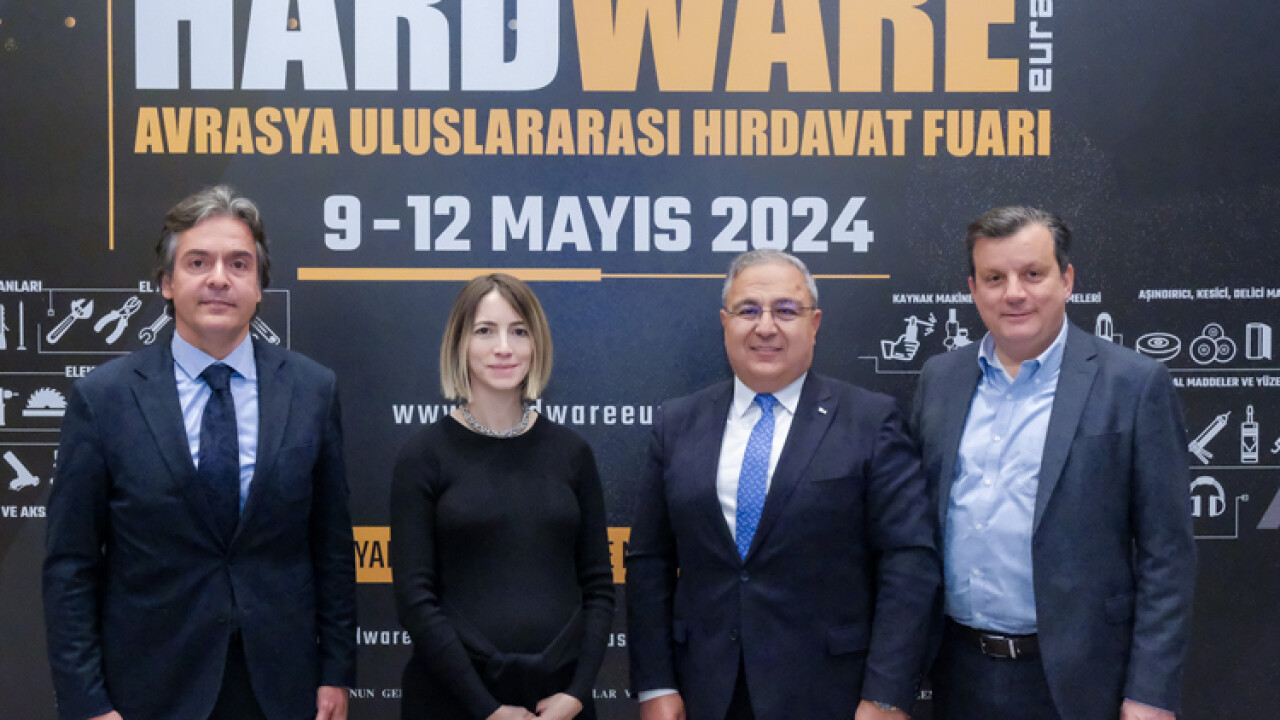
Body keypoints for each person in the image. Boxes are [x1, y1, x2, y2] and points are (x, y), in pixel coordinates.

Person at [43, 186, 357, 720]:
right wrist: (87, 702)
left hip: (282, 689)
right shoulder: (104, 399)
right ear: (167, 283)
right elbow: (71, 565)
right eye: (197, 262)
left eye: (238, 264)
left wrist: (336, 673)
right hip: (147, 691)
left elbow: (330, 548)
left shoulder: (312, 390)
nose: (219, 278)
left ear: (258, 286)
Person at [627, 249, 941, 720]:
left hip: (834, 697)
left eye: (786, 310)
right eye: (748, 310)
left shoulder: (870, 421)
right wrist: (655, 685)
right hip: (704, 695)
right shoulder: (677, 423)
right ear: (725, 323)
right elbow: (649, 561)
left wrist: (886, 696)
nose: (766, 326)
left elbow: (908, 562)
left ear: (814, 324)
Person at [911, 206, 1196, 720]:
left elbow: (1167, 555)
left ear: (1066, 280)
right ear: (973, 289)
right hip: (958, 670)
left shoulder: (1133, 384)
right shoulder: (940, 378)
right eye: (994, 278)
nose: (1014, 293)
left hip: (1080, 677)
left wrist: (1151, 693)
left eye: (1032, 274)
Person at [390, 273, 615, 720]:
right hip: (452, 701)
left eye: (519, 331)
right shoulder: (423, 456)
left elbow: (599, 587)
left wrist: (577, 694)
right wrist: (487, 708)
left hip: (559, 703)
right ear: (460, 343)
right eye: (485, 331)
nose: (504, 348)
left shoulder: (573, 453)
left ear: (537, 344)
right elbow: (415, 599)